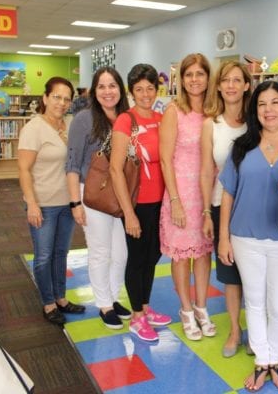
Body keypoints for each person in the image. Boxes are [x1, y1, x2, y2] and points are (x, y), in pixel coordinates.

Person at [218, 81, 278, 392]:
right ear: (254, 109)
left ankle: (277, 358)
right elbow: (228, 194)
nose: (269, 110)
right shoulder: (242, 146)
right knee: (255, 301)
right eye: (262, 104)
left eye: (275, 102)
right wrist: (223, 238)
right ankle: (262, 360)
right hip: (244, 236)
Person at [65, 67, 132, 329]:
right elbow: (71, 163)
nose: (107, 91)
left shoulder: (127, 118)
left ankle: (113, 297)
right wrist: (75, 203)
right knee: (100, 251)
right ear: (94, 91)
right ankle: (104, 304)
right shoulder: (84, 119)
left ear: (120, 89)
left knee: (121, 253)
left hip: (120, 193)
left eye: (112, 85)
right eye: (101, 86)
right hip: (90, 194)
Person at [110, 63, 171, 342]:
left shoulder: (162, 117)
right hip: (137, 203)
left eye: (150, 88)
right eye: (139, 89)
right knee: (137, 258)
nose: (145, 94)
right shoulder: (126, 120)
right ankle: (136, 316)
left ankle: (145, 307)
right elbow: (115, 169)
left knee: (154, 256)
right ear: (131, 92)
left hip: (162, 202)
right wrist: (128, 214)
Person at [18, 76, 86, 326]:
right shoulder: (33, 129)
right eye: (56, 97)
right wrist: (32, 204)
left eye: (67, 98)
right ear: (45, 98)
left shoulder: (70, 124)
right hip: (43, 203)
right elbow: (24, 170)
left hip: (68, 202)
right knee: (44, 256)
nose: (61, 102)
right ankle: (48, 303)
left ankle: (61, 298)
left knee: (61, 253)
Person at [159, 53, 215, 341]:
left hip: (206, 195)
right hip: (180, 195)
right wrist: (175, 201)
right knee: (182, 257)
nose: (194, 80)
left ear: (208, 78)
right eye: (189, 74)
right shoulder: (173, 111)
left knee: (204, 254)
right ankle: (185, 310)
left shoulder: (214, 112)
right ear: (181, 79)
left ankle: (202, 307)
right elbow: (166, 159)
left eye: (200, 74)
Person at [200, 61, 251, 356]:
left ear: (246, 85)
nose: (231, 85)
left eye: (237, 80)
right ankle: (234, 329)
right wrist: (207, 211)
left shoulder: (257, 120)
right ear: (218, 86)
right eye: (225, 80)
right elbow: (207, 171)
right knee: (231, 275)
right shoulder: (212, 125)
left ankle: (258, 330)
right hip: (222, 207)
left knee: (255, 274)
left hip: (255, 207)